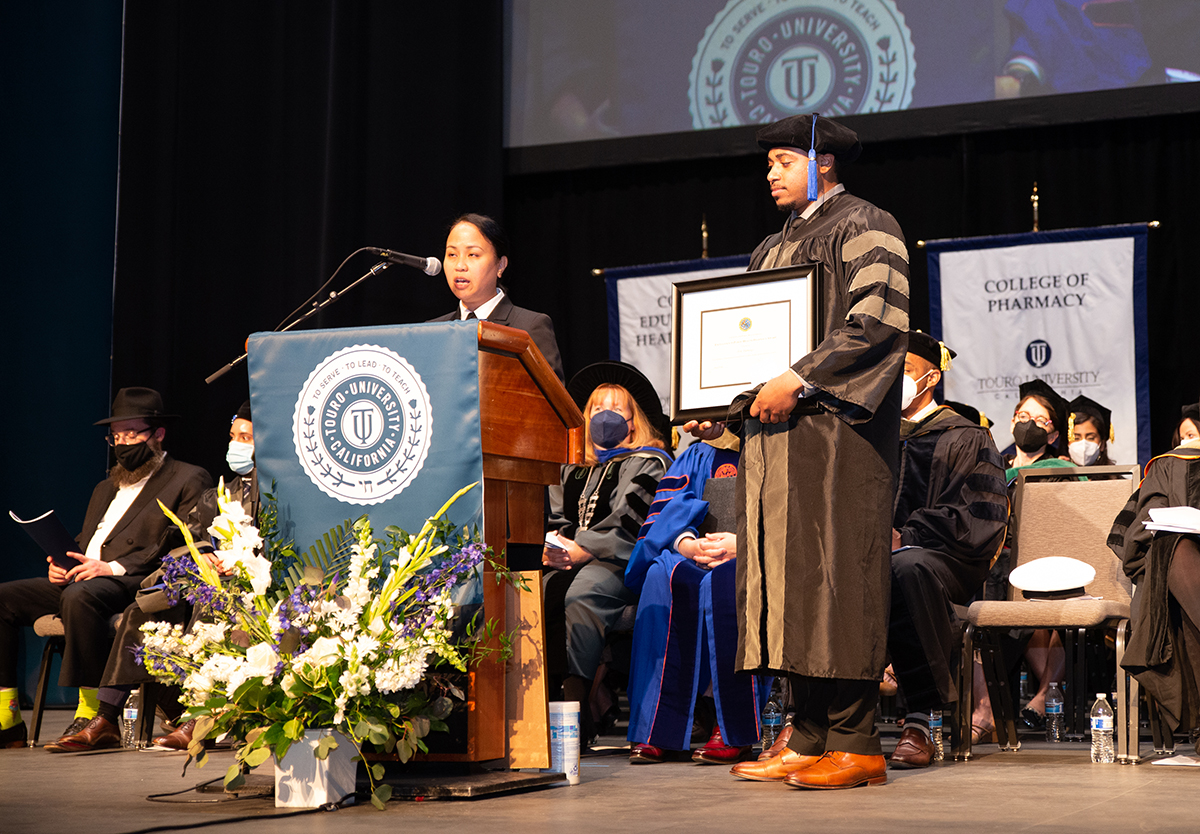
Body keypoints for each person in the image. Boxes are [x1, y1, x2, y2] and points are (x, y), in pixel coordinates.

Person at [714, 113, 908, 790]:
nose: (770, 172)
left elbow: (876, 322)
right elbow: (746, 350)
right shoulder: (771, 247)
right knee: (786, 581)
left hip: (838, 439)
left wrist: (798, 380)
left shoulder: (866, 224)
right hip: (776, 443)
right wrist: (726, 410)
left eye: (783, 159)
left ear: (822, 161)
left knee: (835, 576)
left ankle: (858, 741)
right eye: (766, 162)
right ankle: (808, 734)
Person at [0, 388, 211, 748]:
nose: (123, 443)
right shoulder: (105, 487)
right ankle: (7, 718)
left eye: (132, 433)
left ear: (158, 434)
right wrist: (62, 564)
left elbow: (183, 547)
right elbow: (88, 543)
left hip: (133, 581)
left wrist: (110, 568)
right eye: (116, 436)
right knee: (5, 598)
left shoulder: (187, 479)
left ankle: (93, 712)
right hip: (87, 574)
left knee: (81, 597)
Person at [49, 402, 258, 752]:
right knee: (139, 611)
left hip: (247, 587)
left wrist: (240, 560)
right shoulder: (226, 490)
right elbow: (192, 534)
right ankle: (105, 718)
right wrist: (204, 554)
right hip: (202, 582)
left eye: (246, 437)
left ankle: (198, 715)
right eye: (233, 436)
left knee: (204, 613)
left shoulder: (278, 492)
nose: (235, 445)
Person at [885, 333, 1008, 769]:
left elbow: (979, 517)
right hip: (878, 555)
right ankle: (816, 718)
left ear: (931, 378)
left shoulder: (966, 436)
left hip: (950, 558)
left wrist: (908, 533)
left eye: (905, 372)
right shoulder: (874, 437)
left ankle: (918, 721)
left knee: (907, 565)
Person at [543, 361, 671, 742]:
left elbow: (631, 523)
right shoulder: (570, 466)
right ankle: (534, 714)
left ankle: (573, 720)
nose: (605, 416)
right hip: (569, 561)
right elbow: (553, 517)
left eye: (615, 408)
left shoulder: (648, 461)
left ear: (633, 422)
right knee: (531, 593)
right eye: (597, 409)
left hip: (623, 564)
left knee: (583, 594)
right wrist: (553, 547)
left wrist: (584, 548)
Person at [625, 428, 768, 765]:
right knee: (664, 573)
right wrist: (687, 544)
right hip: (698, 550)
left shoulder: (779, 442)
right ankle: (659, 728)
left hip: (757, 554)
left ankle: (732, 728)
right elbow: (668, 510)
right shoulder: (700, 453)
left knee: (727, 582)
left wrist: (746, 546)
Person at [1110, 421, 1200, 750]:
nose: (1193, 442)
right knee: (1170, 548)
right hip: (1183, 568)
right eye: (1188, 436)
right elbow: (1141, 532)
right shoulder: (1169, 465)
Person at [428, 213, 564, 382]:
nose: (460, 266)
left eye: (473, 255)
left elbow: (548, 400)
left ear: (501, 265)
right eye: (452, 255)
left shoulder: (529, 327)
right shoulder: (432, 331)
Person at [1068, 394, 1116, 466]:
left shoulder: (1116, 477)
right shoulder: (1053, 473)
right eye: (1076, 438)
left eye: (1091, 438)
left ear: (1102, 444)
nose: (1083, 445)